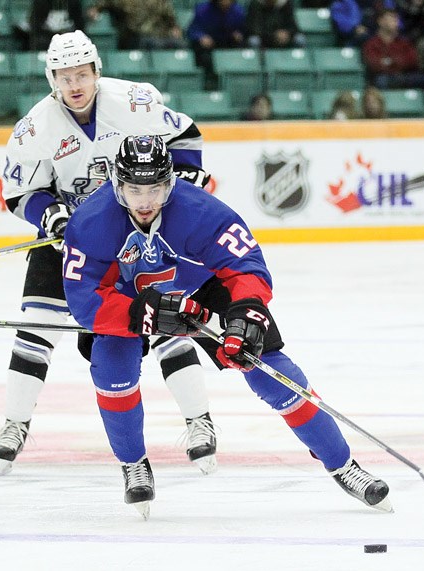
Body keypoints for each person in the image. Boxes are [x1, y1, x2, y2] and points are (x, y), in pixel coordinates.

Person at [62, 135, 392, 517]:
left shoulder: (199, 210)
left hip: (201, 288)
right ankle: (133, 464)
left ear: (170, 182)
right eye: (135, 189)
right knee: (111, 366)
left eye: (155, 188)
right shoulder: (90, 222)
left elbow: (246, 266)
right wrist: (139, 314)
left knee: (266, 364)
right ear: (118, 184)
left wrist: (247, 314)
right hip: (128, 299)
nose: (146, 200)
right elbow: (84, 298)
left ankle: (343, 464)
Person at [0, 30, 217, 477]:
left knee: (166, 321)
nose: (74, 84)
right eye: (63, 76)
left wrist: (186, 176)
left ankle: (199, 421)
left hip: (135, 233)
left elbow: (186, 135)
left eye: (81, 74)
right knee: (35, 328)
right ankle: (14, 424)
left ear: (97, 71)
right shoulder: (36, 127)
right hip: (74, 240)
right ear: (51, 78)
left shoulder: (136, 101)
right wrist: (52, 215)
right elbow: (19, 192)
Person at [362, 8, 424, 88]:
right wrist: (398, 62)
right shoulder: (371, 44)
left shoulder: (404, 42)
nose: (395, 22)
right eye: (392, 18)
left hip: (405, 76)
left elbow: (413, 61)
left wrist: (390, 62)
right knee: (381, 81)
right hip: (385, 77)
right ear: (380, 21)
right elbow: (374, 65)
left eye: (396, 19)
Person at [87, 0, 187, 50]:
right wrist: (96, 9)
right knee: (152, 43)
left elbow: (169, 15)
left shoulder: (159, 1)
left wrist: (174, 27)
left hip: (160, 34)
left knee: (180, 44)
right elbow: (106, 2)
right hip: (135, 35)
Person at [187, 0, 247, 71]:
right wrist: (201, 36)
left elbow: (244, 30)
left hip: (229, 44)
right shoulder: (202, 10)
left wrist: (239, 34)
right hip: (210, 45)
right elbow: (192, 30)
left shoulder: (239, 11)